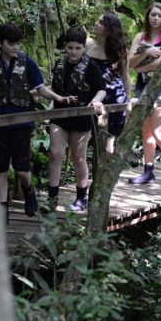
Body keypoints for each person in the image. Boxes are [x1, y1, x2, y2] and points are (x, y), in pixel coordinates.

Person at [0, 23, 66, 219]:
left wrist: (58, 98)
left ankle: (29, 191)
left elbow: (40, 89)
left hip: (22, 122)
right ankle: (2, 212)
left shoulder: (28, 62)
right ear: (1, 43)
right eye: (11, 43)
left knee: (22, 169)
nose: (15, 47)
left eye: (18, 43)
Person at [44, 26, 106, 213]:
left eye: (77, 48)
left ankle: (81, 197)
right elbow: (54, 87)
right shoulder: (59, 64)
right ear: (65, 47)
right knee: (55, 153)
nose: (73, 52)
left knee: (78, 157)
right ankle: (51, 198)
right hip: (60, 114)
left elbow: (101, 88)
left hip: (81, 117)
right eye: (70, 48)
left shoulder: (91, 66)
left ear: (83, 48)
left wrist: (95, 100)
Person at [128, 2, 161, 185]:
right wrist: (147, 52)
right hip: (142, 87)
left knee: (158, 132)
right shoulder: (139, 37)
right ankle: (148, 171)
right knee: (146, 132)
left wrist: (139, 66)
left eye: (159, 15)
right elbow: (129, 63)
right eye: (153, 15)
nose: (156, 18)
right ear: (148, 16)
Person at [86, 12, 131, 154]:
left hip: (114, 96)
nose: (95, 23)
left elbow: (125, 75)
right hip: (93, 96)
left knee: (109, 142)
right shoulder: (88, 46)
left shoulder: (120, 51)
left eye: (100, 22)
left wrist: (128, 99)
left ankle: (107, 169)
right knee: (91, 137)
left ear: (108, 28)